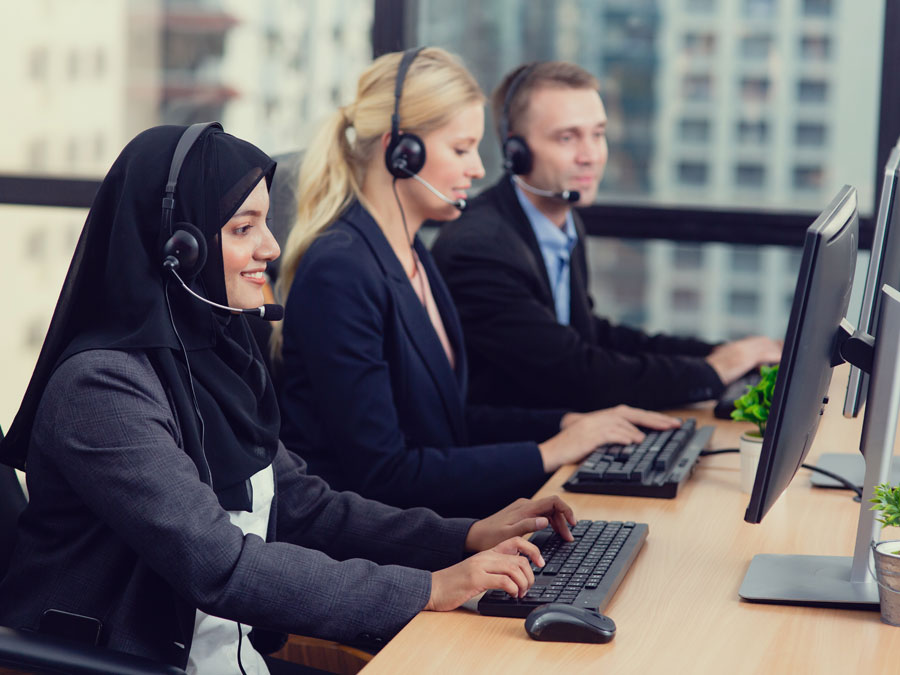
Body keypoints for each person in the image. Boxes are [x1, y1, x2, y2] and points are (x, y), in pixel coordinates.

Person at [0, 123, 580, 674]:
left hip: (231, 658)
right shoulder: (102, 388)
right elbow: (221, 566)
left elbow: (304, 506)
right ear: (180, 249)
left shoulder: (217, 358)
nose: (271, 247)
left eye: (265, 224)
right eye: (243, 228)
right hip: (134, 663)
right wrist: (431, 587)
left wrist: (465, 535)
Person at [273, 47, 680, 519]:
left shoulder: (410, 251)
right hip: (368, 552)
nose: (480, 169)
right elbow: (385, 473)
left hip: (426, 520)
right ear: (401, 152)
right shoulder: (341, 270)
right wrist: (550, 452)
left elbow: (447, 421)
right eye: (462, 149)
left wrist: (568, 424)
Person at [431, 61, 783, 412]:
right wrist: (712, 371)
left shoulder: (561, 225)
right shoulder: (479, 251)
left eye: (597, 134)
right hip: (517, 455)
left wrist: (717, 355)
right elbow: (575, 376)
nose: (591, 156)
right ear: (515, 153)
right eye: (567, 138)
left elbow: (593, 337)